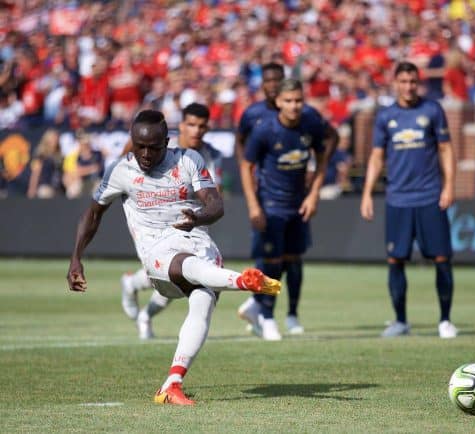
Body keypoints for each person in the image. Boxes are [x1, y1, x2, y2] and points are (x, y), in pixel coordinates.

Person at [67, 109, 281, 405]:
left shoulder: (188, 159)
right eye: (139, 146)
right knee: (187, 265)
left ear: (166, 142)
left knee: (202, 304)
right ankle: (242, 281)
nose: (145, 153)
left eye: (153, 147)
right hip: (158, 253)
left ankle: (173, 382)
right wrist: (76, 258)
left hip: (197, 240)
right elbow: (92, 214)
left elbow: (216, 206)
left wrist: (198, 216)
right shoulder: (121, 171)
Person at [235, 63, 338, 338]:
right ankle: (267, 315)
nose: (294, 106)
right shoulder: (264, 130)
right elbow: (246, 166)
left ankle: (281, 312)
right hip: (270, 205)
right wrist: (253, 205)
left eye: (298, 100)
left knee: (293, 259)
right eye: (289, 101)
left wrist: (314, 191)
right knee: (270, 261)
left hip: (298, 202)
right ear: (278, 102)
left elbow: (324, 151)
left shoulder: (311, 123)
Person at [360, 61, 458, 339]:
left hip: (429, 196)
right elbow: (377, 157)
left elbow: (446, 149)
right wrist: (367, 192)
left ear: (419, 83)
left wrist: (449, 186)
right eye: (403, 81)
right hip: (398, 200)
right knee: (395, 259)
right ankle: (401, 320)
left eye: (413, 82)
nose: (408, 87)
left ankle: (445, 320)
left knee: (442, 258)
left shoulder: (432, 110)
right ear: (395, 83)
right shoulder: (386, 116)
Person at [119, 103, 223, 339]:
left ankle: (134, 290)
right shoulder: (161, 145)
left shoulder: (212, 155)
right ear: (181, 125)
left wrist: (207, 211)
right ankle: (141, 305)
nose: (196, 131)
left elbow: (216, 192)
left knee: (180, 278)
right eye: (191, 125)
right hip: (157, 220)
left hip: (193, 222)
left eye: (202, 126)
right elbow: (126, 163)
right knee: (177, 276)